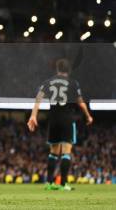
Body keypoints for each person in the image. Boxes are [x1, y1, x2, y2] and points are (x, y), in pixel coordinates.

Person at [27, 59, 93, 191]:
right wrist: (88, 115)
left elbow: (38, 99)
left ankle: (50, 183)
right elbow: (80, 102)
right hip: (67, 119)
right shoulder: (73, 83)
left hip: (54, 120)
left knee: (53, 152)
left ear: (57, 69)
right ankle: (63, 184)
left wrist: (33, 115)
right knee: (66, 152)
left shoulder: (48, 82)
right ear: (69, 70)